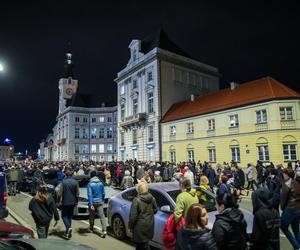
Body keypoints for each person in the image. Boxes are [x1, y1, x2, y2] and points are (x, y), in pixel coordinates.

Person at [128, 181, 157, 250]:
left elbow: (133, 216)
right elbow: (155, 210)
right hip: (149, 224)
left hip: (139, 227)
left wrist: (130, 227)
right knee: (144, 244)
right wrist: (149, 215)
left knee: (142, 245)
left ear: (138, 190)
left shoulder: (137, 200)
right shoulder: (152, 198)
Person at [280, 168, 300, 250]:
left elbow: (283, 199)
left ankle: (296, 246)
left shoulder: (286, 184)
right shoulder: (297, 183)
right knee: (296, 229)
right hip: (298, 209)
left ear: (286, 175)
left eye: (283, 174)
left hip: (290, 209)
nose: (283, 175)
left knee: (283, 227)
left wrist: (282, 208)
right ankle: (298, 245)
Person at [57, 168, 79, 239]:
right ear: (72, 174)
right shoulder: (76, 182)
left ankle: (68, 228)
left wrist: (58, 201)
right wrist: (77, 201)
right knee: (69, 216)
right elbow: (77, 194)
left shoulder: (63, 182)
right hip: (73, 202)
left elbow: (59, 194)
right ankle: (68, 232)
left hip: (65, 202)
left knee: (64, 216)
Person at [87, 170, 107, 237]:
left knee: (91, 216)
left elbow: (90, 195)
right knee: (102, 216)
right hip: (100, 202)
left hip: (93, 202)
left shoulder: (90, 184)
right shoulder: (101, 183)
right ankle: (104, 230)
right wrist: (102, 199)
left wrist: (91, 204)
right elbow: (103, 193)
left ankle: (91, 228)